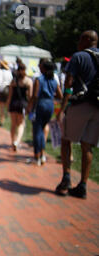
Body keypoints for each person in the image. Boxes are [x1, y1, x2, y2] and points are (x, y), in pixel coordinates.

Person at [55, 30, 99, 199]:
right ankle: (83, 184)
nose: (78, 41)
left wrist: (62, 108)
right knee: (88, 146)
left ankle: (66, 177)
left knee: (66, 140)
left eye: (81, 38)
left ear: (88, 40)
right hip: (97, 107)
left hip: (80, 104)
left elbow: (69, 83)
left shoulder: (79, 56)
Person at [26, 59, 62, 166]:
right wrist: (50, 95)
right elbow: (60, 95)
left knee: (37, 131)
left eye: (41, 66)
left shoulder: (39, 79)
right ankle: (42, 155)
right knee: (42, 129)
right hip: (50, 104)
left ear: (44, 68)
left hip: (41, 104)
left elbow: (35, 95)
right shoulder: (54, 81)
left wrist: (30, 106)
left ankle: (37, 156)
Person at [6, 62, 32, 151]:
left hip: (13, 103)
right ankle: (17, 141)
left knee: (13, 124)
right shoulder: (28, 81)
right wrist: (30, 106)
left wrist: (8, 104)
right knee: (21, 124)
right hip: (22, 104)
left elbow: (10, 95)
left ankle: (13, 141)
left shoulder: (14, 81)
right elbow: (30, 96)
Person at [0, 59, 13, 127]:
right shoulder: (9, 72)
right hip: (7, 90)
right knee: (3, 107)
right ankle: (2, 121)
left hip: (1, 90)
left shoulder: (0, 71)